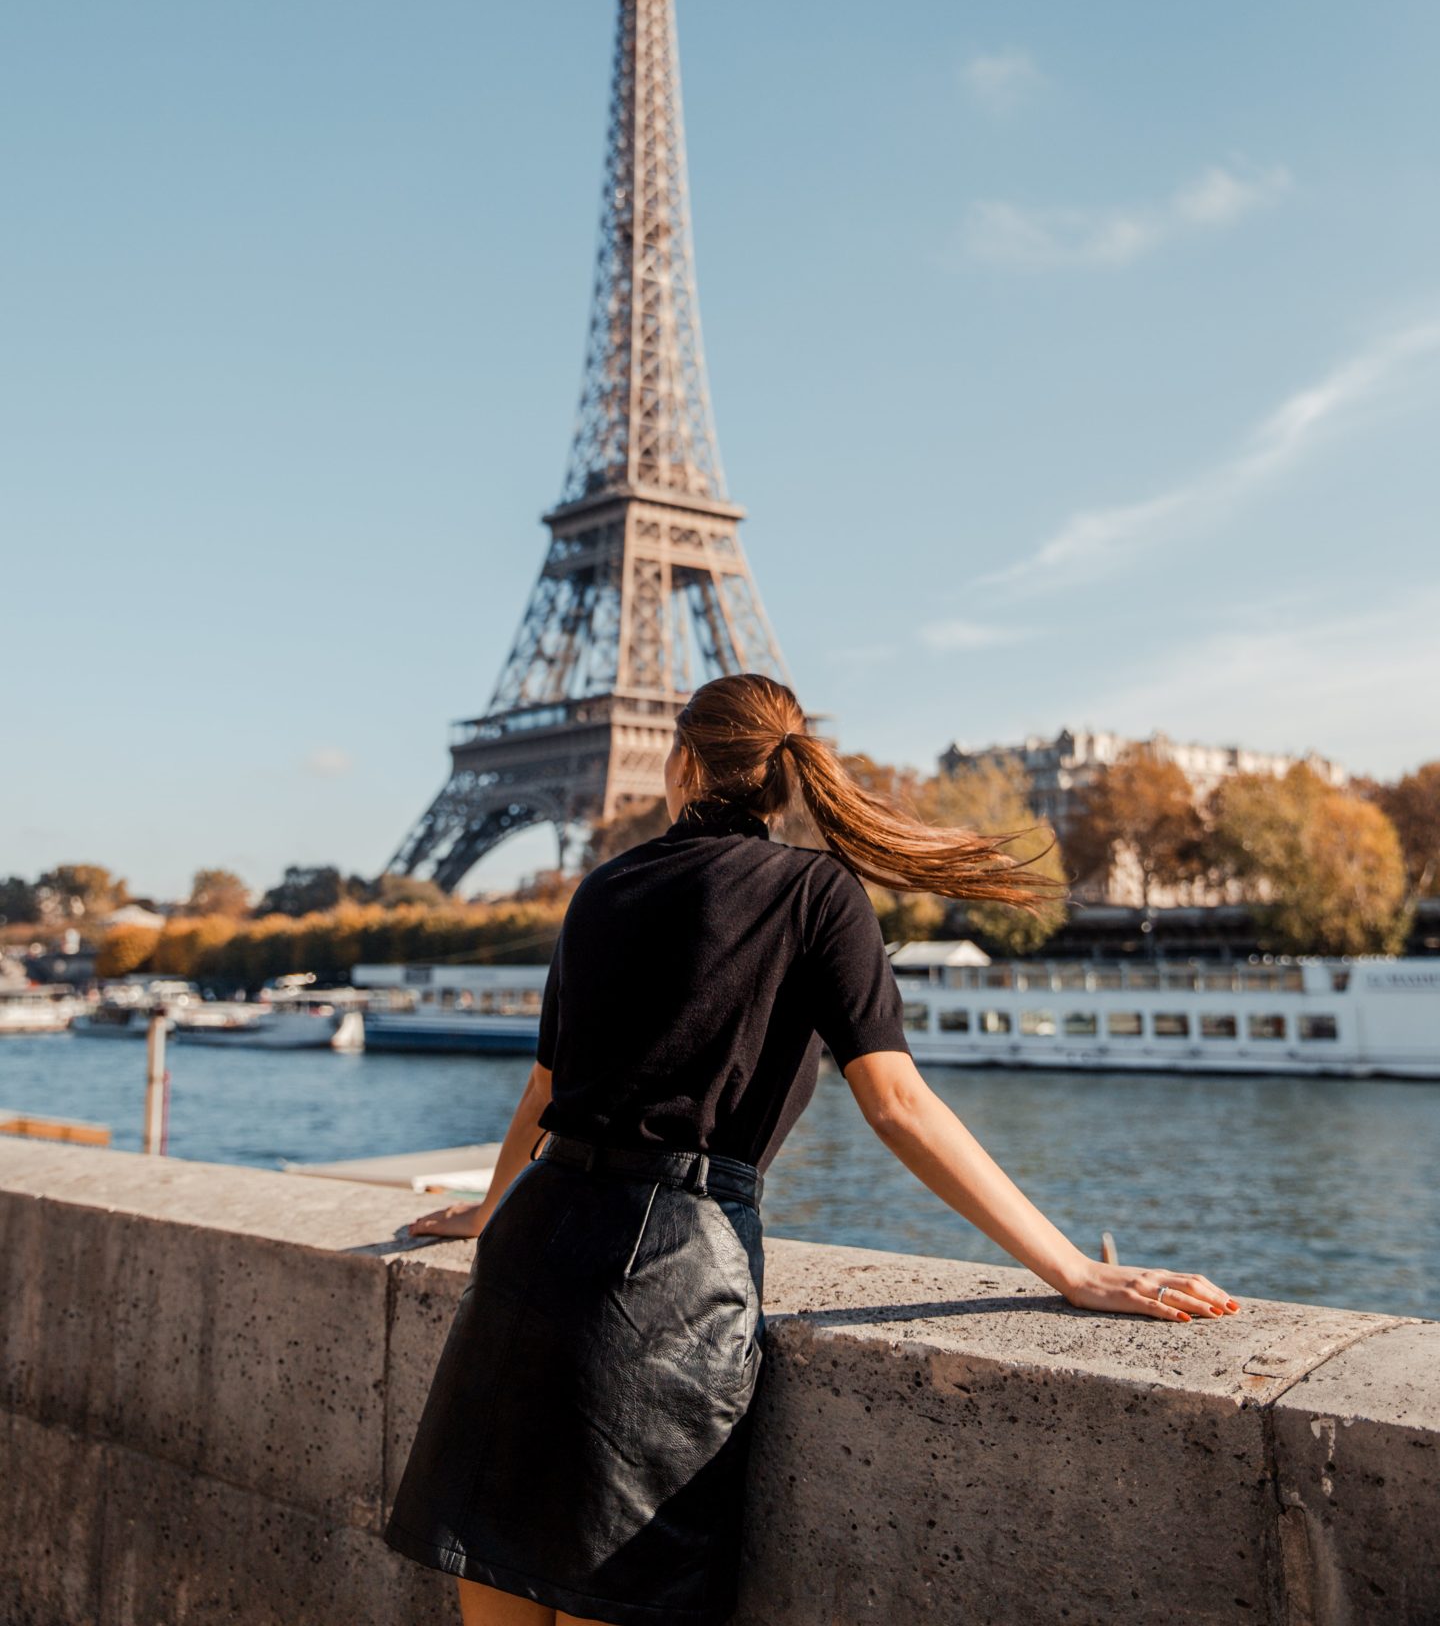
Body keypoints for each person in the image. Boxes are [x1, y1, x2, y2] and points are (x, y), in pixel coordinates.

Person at [383, 673, 1239, 1626]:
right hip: (664, 1276)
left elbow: (544, 1095)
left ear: (682, 761)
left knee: (494, 1585)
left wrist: (492, 1211)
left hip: (526, 1264)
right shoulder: (818, 894)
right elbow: (900, 1106)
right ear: (786, 782)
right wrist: (1071, 1266)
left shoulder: (604, 889)